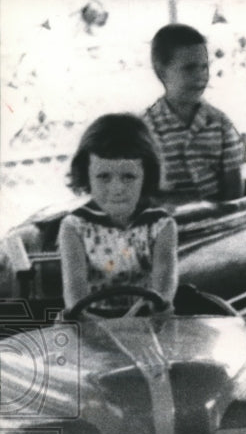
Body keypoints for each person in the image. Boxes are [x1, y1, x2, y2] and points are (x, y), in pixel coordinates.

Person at [59, 113, 178, 315]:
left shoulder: (161, 225)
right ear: (86, 175)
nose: (117, 189)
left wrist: (141, 317)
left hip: (147, 319)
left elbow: (164, 287)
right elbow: (74, 296)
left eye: (128, 177)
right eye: (104, 177)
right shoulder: (74, 227)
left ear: (146, 175)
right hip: (91, 322)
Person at [143, 23, 243, 204]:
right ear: (161, 71)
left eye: (204, 67)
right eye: (189, 68)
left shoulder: (220, 124)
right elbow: (141, 191)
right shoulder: (145, 129)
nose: (200, 76)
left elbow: (234, 188)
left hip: (217, 222)